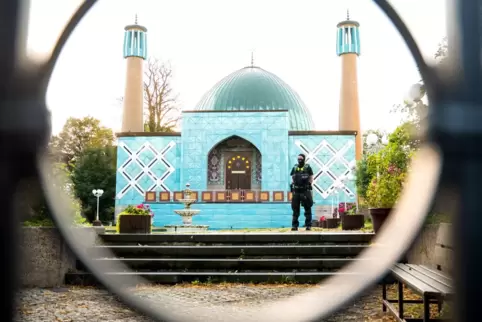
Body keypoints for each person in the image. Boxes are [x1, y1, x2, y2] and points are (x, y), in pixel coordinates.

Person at [290, 153, 314, 231]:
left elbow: (311, 176)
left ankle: (308, 225)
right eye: (298, 158)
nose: (299, 160)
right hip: (296, 191)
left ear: (304, 159)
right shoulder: (295, 167)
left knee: (307, 208)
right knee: (295, 209)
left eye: (301, 158)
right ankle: (294, 226)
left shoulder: (307, 167)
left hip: (305, 191)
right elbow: (292, 176)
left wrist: (310, 183)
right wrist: (293, 184)